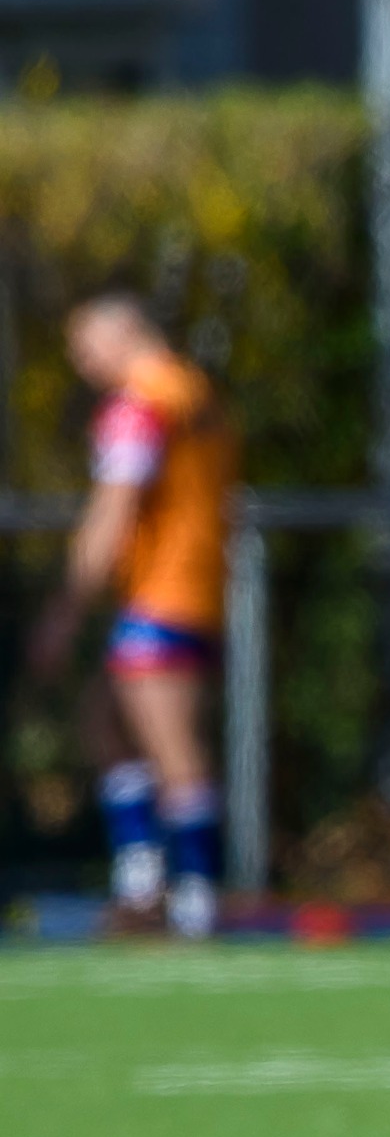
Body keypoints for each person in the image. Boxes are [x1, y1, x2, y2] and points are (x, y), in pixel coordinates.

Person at [29, 294, 237, 937]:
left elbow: (113, 512)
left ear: (124, 336)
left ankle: (193, 899)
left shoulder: (138, 404)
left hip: (160, 598)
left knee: (173, 752)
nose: (78, 359)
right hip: (197, 589)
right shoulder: (192, 390)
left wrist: (66, 608)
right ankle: (144, 881)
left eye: (84, 344)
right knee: (105, 721)